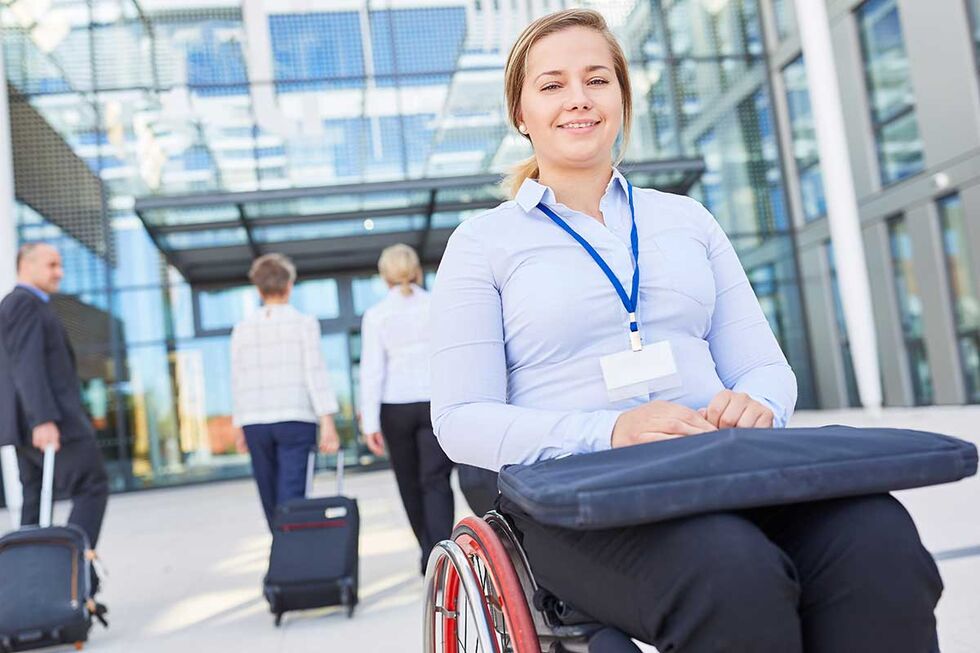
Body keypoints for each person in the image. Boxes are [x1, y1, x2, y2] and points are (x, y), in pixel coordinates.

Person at [430, 9, 942, 653]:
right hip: (581, 494)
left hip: (717, 465)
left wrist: (754, 404)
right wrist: (610, 430)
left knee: (877, 537)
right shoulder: (483, 243)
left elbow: (764, 367)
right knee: (729, 572)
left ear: (621, 97)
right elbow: (460, 419)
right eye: (552, 85)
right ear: (520, 113)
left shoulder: (686, 220)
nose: (579, 99)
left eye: (597, 79)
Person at [0, 244, 110, 597]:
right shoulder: (23, 304)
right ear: (26, 265)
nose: (59, 272)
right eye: (52, 264)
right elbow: (27, 365)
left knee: (34, 504)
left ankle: (29, 592)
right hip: (49, 422)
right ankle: (67, 577)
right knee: (92, 485)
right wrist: (43, 419)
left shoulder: (18, 305)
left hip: (28, 424)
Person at [359, 244, 454, 574]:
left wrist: (369, 422)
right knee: (436, 480)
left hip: (394, 407)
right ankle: (442, 555)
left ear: (384, 275)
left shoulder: (376, 315)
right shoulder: (436, 305)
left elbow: (372, 370)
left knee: (409, 483)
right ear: (415, 270)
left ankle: (427, 553)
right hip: (435, 401)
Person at [231, 253, 341, 532]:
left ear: (258, 289)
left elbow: (237, 378)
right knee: (292, 497)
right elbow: (315, 372)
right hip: (296, 418)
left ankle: (284, 555)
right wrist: (327, 421)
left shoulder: (242, 329)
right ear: (289, 286)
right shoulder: (304, 323)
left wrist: (237, 424)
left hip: (254, 421)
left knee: (269, 498)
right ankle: (291, 558)